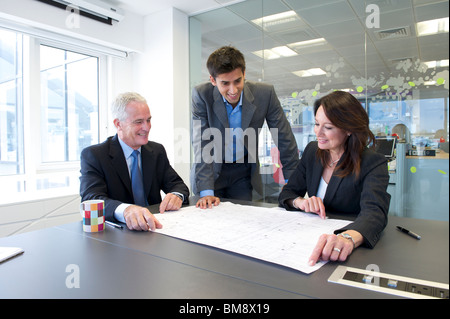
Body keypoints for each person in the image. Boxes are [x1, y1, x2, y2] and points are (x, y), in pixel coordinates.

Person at [278, 91, 390, 266]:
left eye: (328, 127)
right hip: (308, 239)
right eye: (316, 124)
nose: (318, 133)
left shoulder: (372, 162)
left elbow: (374, 214)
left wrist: (346, 238)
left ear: (348, 129)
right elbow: (288, 193)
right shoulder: (312, 151)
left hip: (344, 247)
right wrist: (300, 202)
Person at [191, 46, 299, 208]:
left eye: (238, 81)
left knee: (244, 221)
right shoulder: (201, 95)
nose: (233, 90)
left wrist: (292, 183)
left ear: (244, 75)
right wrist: (207, 192)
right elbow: (202, 144)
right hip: (211, 171)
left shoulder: (265, 94)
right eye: (225, 83)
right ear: (213, 80)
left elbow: (283, 137)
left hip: (243, 172)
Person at [80, 92, 189, 231]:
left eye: (148, 120)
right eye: (139, 122)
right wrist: (126, 210)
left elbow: (177, 185)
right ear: (118, 124)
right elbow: (91, 198)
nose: (147, 127)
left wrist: (176, 195)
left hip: (156, 228)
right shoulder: (95, 155)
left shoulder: (156, 150)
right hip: (118, 235)